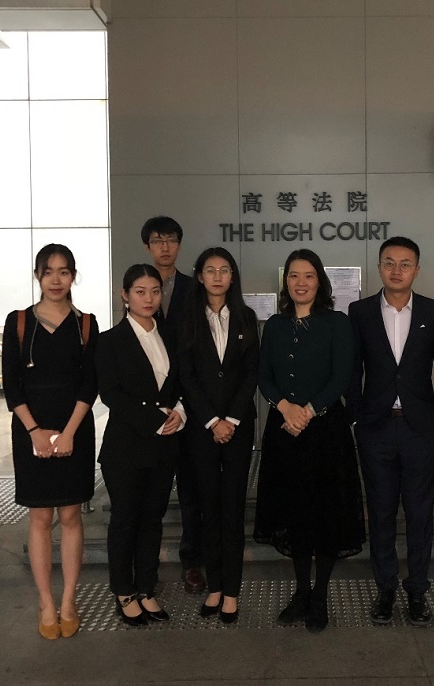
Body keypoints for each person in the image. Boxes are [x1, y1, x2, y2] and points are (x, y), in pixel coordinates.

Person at [254, 248, 364, 633]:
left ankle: (320, 595)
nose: (301, 283)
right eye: (294, 276)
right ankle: (301, 590)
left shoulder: (337, 322)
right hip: (285, 432)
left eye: (309, 275)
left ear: (321, 282)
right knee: (294, 512)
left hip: (326, 432)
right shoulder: (275, 325)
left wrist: (309, 411)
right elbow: (263, 376)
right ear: (286, 282)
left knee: (326, 514)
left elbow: (342, 375)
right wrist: (286, 408)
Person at [346, 236, 434, 627]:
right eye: (389, 262)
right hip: (375, 428)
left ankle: (418, 591)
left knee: (420, 513)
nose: (396, 270)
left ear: (417, 270)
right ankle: (386, 589)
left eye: (405, 264)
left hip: (420, 428)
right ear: (379, 268)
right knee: (381, 511)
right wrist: (355, 417)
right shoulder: (359, 312)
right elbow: (352, 369)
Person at [2, 244, 98, 640]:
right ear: (37, 276)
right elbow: (11, 384)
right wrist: (34, 431)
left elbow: (90, 384)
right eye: (48, 271)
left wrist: (70, 432)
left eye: (64, 271)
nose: (56, 280)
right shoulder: (19, 321)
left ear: (73, 275)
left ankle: (69, 599)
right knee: (40, 517)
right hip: (31, 429)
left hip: (76, 428)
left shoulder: (86, 324)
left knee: (71, 516)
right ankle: (46, 601)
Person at [95, 263, 187, 626]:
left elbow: (180, 383)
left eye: (154, 291)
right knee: (125, 520)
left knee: (152, 519)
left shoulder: (170, 335)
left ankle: (147, 588)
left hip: (164, 447)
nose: (148, 298)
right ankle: (124, 591)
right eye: (140, 291)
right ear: (125, 295)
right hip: (126, 447)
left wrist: (180, 412)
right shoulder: (110, 340)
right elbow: (110, 393)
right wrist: (155, 421)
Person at [178, 247, 259, 625]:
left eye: (224, 270)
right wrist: (212, 420)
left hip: (238, 428)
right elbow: (186, 376)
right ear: (199, 276)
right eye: (210, 270)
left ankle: (231, 592)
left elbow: (251, 372)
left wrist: (231, 419)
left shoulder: (246, 316)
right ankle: (214, 586)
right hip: (201, 429)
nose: (217, 276)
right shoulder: (187, 319)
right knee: (208, 508)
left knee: (233, 509)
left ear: (232, 276)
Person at [141, 215, 205, 594]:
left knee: (192, 490)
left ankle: (192, 562)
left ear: (179, 245)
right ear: (147, 246)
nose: (165, 247)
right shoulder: (139, 286)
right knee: (151, 492)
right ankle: (145, 568)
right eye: (157, 240)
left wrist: (185, 402)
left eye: (171, 240)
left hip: (189, 403)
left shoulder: (194, 289)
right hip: (150, 407)